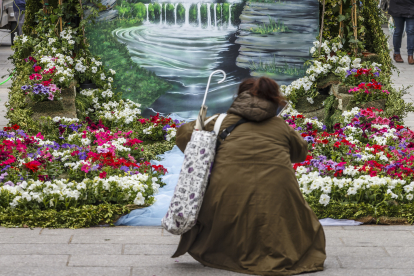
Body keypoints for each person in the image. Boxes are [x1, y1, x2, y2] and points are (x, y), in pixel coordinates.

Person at [172, 77, 326, 275]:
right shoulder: (281, 127)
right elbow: (300, 154)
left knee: (221, 199)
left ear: (240, 96)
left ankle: (224, 247)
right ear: (273, 98)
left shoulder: (217, 121)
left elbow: (184, 136)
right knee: (295, 212)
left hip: (225, 198)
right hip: (278, 198)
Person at [388, 0, 414, 65]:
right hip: (397, 6)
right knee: (398, 31)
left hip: (411, 7)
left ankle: (410, 55)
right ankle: (397, 53)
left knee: (411, 31)